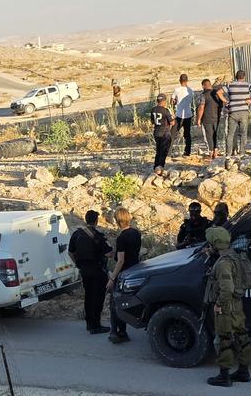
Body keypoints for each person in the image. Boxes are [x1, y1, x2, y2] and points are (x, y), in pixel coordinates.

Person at [203, 226, 251, 387]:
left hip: (226, 305)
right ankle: (244, 372)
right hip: (236, 304)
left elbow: (227, 288)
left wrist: (219, 304)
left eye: (210, 243)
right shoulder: (235, 256)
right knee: (242, 336)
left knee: (224, 339)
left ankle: (224, 376)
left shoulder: (224, 263)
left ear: (215, 244)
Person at [68, 209, 112, 333]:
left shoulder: (76, 234)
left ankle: (89, 324)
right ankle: (96, 325)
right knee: (98, 297)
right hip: (97, 270)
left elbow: (70, 252)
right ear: (96, 221)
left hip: (84, 270)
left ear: (86, 219)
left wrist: (78, 264)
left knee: (88, 296)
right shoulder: (98, 235)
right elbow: (109, 253)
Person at [106, 207, 141, 344]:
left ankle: (115, 332)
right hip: (134, 270)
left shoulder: (121, 238)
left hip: (124, 273)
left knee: (114, 303)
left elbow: (120, 260)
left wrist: (112, 278)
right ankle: (123, 332)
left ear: (117, 220)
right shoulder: (136, 233)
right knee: (124, 302)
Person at [218, 71, 251, 157]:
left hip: (233, 112)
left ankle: (228, 154)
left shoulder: (230, 85)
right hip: (244, 112)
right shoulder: (247, 85)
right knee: (243, 133)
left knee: (230, 134)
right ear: (244, 77)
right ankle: (242, 153)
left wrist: (226, 101)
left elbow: (218, 92)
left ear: (236, 77)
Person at [149, 93, 175, 173]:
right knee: (164, 151)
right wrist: (173, 117)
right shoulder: (165, 110)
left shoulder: (153, 110)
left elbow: (152, 122)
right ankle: (160, 167)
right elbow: (172, 123)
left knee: (158, 150)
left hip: (156, 132)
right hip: (165, 133)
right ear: (164, 101)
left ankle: (155, 166)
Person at [172, 73, 197, 157]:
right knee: (187, 134)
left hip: (179, 115)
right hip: (188, 114)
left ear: (180, 80)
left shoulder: (176, 90)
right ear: (187, 81)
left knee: (173, 133)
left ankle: (169, 151)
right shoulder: (191, 90)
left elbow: (172, 101)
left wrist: (175, 102)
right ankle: (187, 152)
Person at [197, 78, 221, 159]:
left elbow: (201, 107)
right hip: (217, 117)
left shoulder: (203, 95)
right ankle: (216, 151)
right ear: (210, 84)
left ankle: (211, 152)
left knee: (209, 135)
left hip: (207, 118)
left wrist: (199, 119)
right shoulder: (217, 93)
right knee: (215, 134)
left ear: (203, 86)